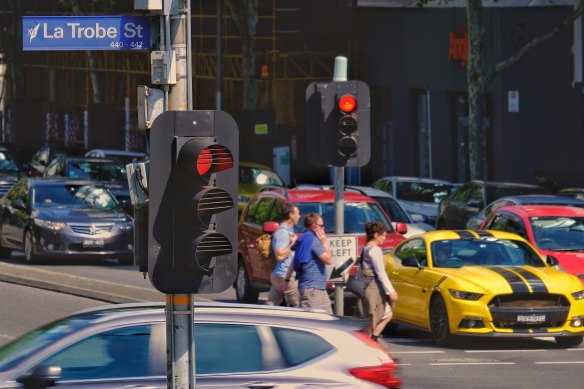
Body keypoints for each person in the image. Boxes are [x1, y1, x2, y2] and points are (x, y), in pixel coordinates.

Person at [283, 213, 332, 313]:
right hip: (312, 289)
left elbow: (295, 259)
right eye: (322, 226)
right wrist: (324, 242)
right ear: (314, 227)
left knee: (329, 320)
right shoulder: (313, 241)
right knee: (311, 322)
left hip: (317, 288)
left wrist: (286, 280)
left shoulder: (304, 238)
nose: (324, 228)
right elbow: (328, 260)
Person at [358, 221, 398, 342]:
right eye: (383, 235)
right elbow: (381, 272)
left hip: (367, 287)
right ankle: (370, 341)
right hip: (374, 288)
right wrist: (391, 291)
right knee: (378, 316)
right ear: (376, 235)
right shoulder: (375, 250)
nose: (384, 238)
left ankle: (370, 339)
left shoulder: (366, 248)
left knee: (375, 317)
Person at [264, 203, 300, 307]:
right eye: (298, 213)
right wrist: (293, 244)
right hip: (284, 275)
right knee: (300, 306)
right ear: (291, 215)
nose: (299, 216)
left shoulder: (289, 231)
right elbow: (279, 255)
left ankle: (260, 321)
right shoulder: (283, 233)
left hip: (280, 275)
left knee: (271, 305)